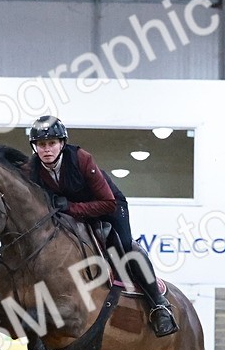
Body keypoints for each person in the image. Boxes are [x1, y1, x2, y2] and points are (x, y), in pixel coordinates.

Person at [23, 115, 178, 337]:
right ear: (35, 147)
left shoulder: (81, 159)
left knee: (125, 247)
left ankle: (158, 304)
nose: (47, 149)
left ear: (62, 144)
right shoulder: (32, 169)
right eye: (41, 144)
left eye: (52, 143)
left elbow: (107, 203)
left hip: (109, 207)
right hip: (69, 215)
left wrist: (72, 208)